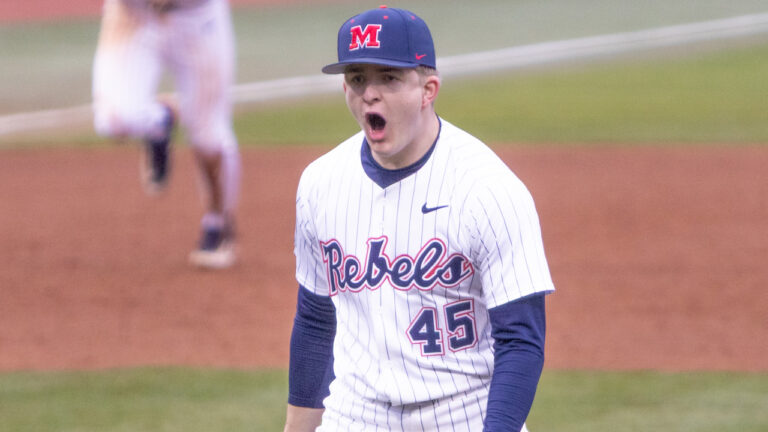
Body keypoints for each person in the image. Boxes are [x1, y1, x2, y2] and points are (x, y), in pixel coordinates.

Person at [285, 6, 555, 432]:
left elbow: (520, 341)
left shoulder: (488, 190)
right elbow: (316, 320)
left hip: (464, 415)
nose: (370, 94)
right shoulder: (320, 183)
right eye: (357, 79)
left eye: (388, 79)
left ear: (428, 89)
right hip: (355, 415)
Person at [92, 0, 240, 269]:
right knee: (114, 119)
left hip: (197, 16)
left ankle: (218, 221)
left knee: (209, 138)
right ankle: (160, 119)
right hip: (133, 15)